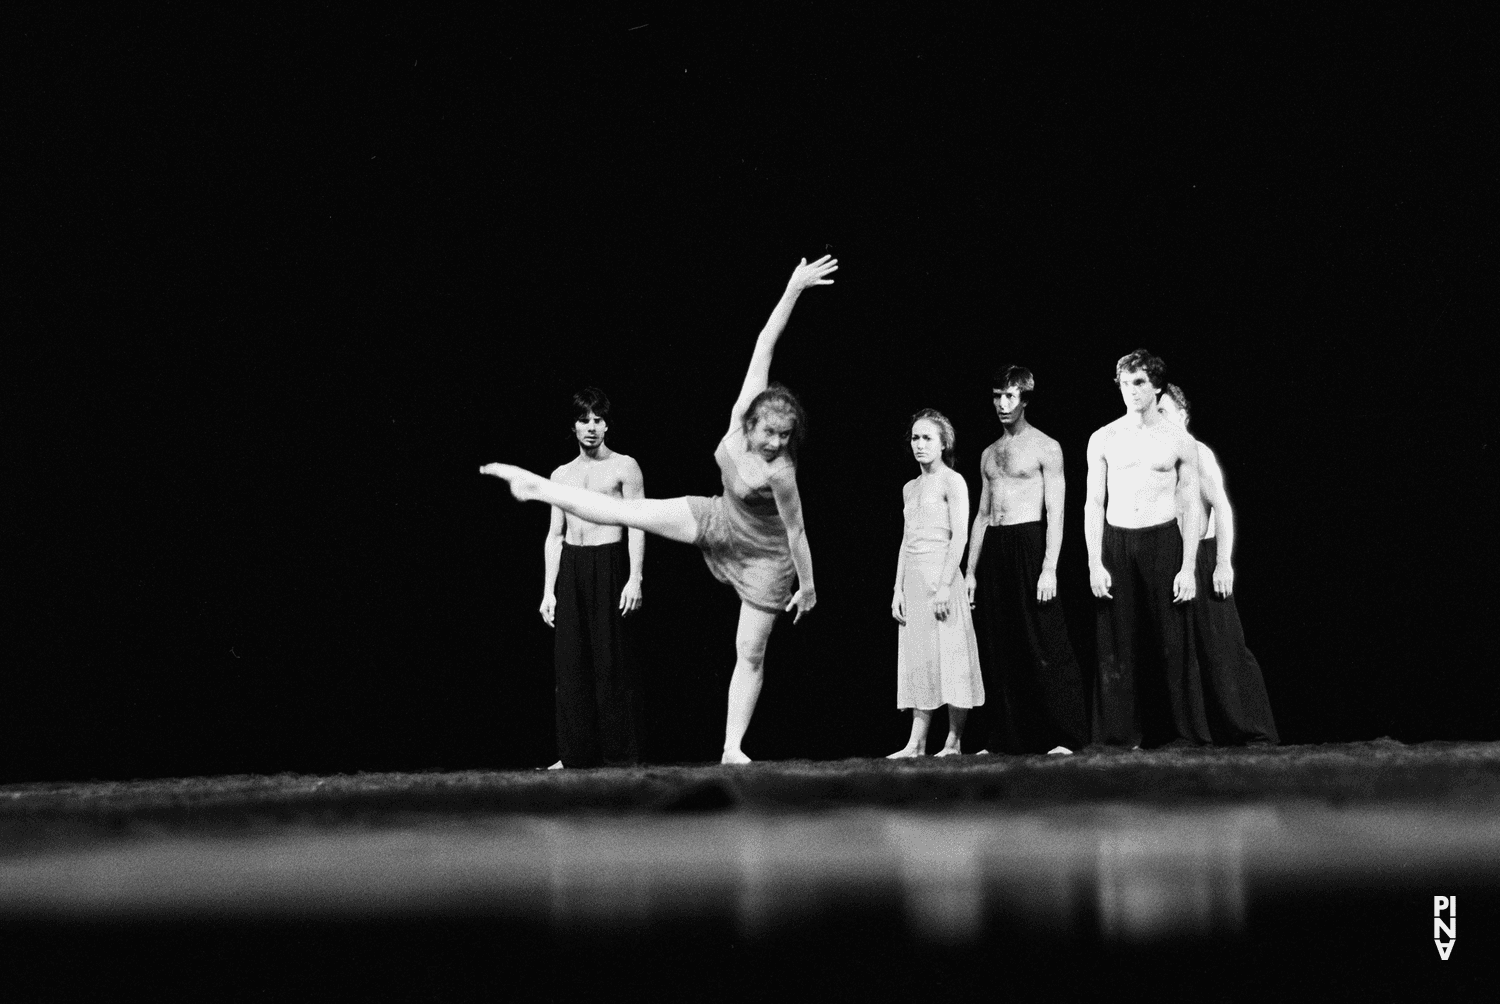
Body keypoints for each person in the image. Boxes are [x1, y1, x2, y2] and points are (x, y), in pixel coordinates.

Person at [482, 255, 836, 764]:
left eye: (786, 437)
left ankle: (732, 748)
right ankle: (540, 489)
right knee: (630, 512)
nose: (777, 443)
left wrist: (808, 585)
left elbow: (797, 533)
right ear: (752, 420)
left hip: (767, 554)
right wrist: (794, 287)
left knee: (750, 653)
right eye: (770, 433)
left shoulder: (782, 472)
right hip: (718, 517)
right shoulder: (743, 414)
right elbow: (765, 341)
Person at [1085, 349, 1212, 748]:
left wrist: (1188, 566)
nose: (1131, 391)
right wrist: (1094, 561)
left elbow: (1191, 505)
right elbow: (1093, 503)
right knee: (1118, 642)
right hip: (1117, 540)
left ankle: (1180, 733)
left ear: (1156, 386)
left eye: (1139, 382)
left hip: (1162, 540)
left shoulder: (1179, 440)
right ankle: (1119, 735)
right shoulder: (1103, 437)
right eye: (1124, 383)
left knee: (1172, 642)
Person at [965, 367, 1088, 755]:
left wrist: (1050, 566)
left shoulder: (1046, 447)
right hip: (996, 546)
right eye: (997, 395)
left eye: (1010, 396)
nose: (1003, 403)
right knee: (1001, 645)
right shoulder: (988, 453)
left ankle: (1064, 736)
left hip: (1030, 542)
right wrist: (969, 571)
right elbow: (982, 515)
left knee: (1045, 642)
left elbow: (1057, 511)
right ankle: (1006, 737)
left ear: (1025, 400)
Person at [1158, 384, 1278, 745]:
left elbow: (1222, 508)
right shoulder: (1163, 459)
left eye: (1163, 411)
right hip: (1172, 559)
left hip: (1204, 557)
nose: (1158, 419)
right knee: (1182, 653)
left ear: (1183, 414)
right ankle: (1194, 733)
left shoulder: (1198, 453)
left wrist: (1223, 564)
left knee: (1223, 647)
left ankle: (1254, 733)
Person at [538, 387, 647, 769]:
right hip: (572, 566)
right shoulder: (560, 475)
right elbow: (555, 533)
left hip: (609, 562)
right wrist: (548, 590)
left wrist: (635, 578)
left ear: (607, 424)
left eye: (598, 420)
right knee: (569, 663)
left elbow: (638, 524)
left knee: (610, 662)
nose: (591, 427)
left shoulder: (624, 466)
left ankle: (619, 755)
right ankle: (573, 754)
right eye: (584, 420)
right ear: (574, 425)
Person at [888, 410, 985, 758]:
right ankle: (915, 743)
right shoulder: (909, 488)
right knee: (920, 661)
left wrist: (945, 585)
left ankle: (953, 741)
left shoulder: (952, 481)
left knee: (952, 657)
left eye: (928, 437)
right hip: (914, 579)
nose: (920, 444)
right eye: (915, 437)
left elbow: (959, 535)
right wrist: (897, 589)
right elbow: (905, 539)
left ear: (944, 443)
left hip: (942, 575)